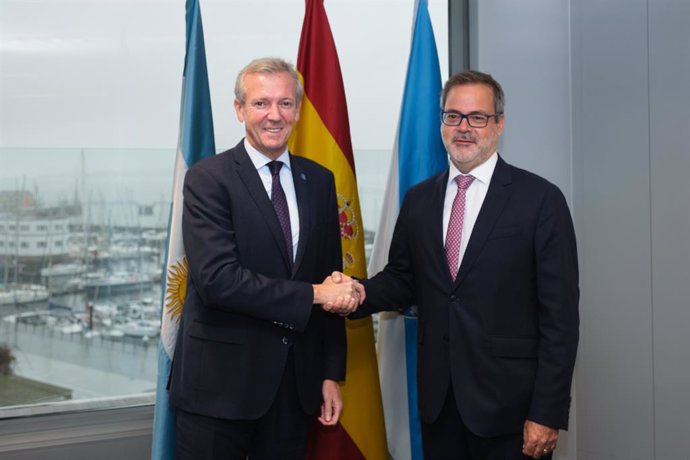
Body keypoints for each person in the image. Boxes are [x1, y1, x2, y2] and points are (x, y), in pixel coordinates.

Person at [337, 70, 579, 460]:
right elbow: (402, 280)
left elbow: (561, 318)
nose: (463, 127)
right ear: (442, 123)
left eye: (477, 117)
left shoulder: (540, 201)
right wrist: (354, 291)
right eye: (453, 116)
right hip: (439, 406)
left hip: (511, 413)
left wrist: (546, 412)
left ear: (499, 124)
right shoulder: (419, 200)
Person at [169, 57, 360, 460]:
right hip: (218, 390)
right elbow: (218, 280)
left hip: (293, 389)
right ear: (239, 110)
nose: (274, 115)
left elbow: (331, 276)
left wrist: (329, 373)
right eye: (261, 104)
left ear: (298, 109)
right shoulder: (208, 179)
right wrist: (315, 294)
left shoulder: (319, 180)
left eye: (285, 103)